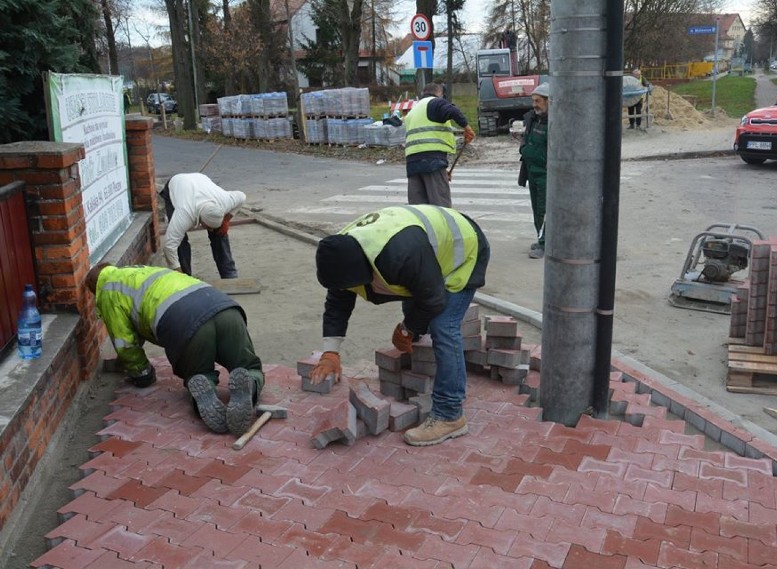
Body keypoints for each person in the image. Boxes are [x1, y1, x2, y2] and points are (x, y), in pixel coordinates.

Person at [309, 205, 490, 446]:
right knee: (417, 302)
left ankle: (450, 415)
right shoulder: (340, 252)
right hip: (424, 254)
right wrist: (330, 351)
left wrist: (407, 328)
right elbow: (337, 301)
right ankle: (419, 364)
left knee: (443, 326)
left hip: (465, 248)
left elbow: (433, 299)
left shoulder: (399, 256)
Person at [85, 263, 265, 436]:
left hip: (184, 321)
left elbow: (125, 343)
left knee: (198, 372)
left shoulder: (108, 291)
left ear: (94, 288)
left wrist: (142, 374)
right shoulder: (140, 272)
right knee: (247, 364)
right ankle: (249, 384)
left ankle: (203, 386)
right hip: (223, 307)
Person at [160, 172, 246, 279]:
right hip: (176, 185)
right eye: (208, 227)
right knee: (179, 240)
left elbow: (242, 197)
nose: (210, 230)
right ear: (201, 220)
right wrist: (177, 271)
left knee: (220, 233)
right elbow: (169, 246)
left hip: (200, 180)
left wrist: (226, 220)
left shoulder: (225, 201)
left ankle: (229, 274)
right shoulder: (184, 214)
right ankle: (185, 279)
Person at [404, 83, 476, 208]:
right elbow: (453, 110)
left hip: (412, 163)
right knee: (441, 205)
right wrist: (467, 128)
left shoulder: (413, 110)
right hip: (432, 161)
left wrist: (442, 170)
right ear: (440, 93)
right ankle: (442, 228)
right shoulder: (435, 102)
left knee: (419, 208)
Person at [518, 82, 549, 259]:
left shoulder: (555, 122)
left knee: (543, 210)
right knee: (536, 209)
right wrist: (522, 147)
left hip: (545, 174)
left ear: (548, 101)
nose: (534, 104)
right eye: (533, 101)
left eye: (538, 101)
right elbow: (527, 140)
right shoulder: (533, 119)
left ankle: (545, 244)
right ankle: (541, 238)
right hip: (532, 172)